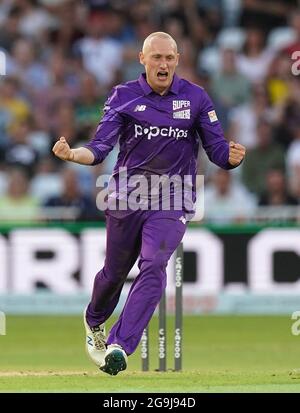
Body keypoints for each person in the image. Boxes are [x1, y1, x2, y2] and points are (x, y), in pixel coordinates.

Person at [52, 32, 246, 376]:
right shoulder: (123, 96)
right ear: (142, 60)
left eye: (170, 58)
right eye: (157, 57)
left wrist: (231, 159)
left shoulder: (196, 98)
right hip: (128, 197)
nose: (164, 64)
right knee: (114, 274)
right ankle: (94, 318)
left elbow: (217, 150)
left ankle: (120, 345)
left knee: (154, 265)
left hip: (174, 198)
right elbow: (99, 147)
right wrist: (73, 155)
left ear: (177, 60)